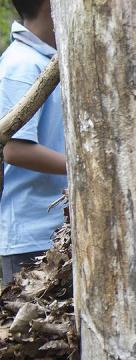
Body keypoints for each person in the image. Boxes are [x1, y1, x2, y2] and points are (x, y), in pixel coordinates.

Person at [0, 0, 67, 285]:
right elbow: (14, 149)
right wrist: (89, 168)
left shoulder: (49, 60)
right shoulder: (22, 63)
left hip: (55, 230)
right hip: (31, 237)